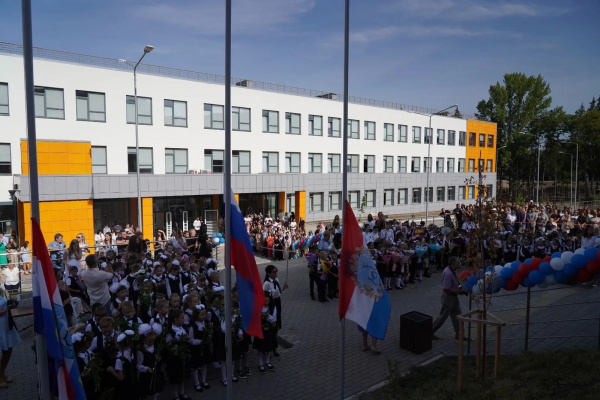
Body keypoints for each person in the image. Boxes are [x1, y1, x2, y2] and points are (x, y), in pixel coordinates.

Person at [431, 256, 466, 340]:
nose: (460, 264)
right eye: (458, 263)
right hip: (448, 297)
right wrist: (458, 291)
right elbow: (446, 288)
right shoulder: (448, 273)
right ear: (453, 264)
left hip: (453, 297)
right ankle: (430, 331)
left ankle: (459, 335)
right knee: (443, 316)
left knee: (458, 316)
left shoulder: (451, 270)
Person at [0, 287, 21, 388]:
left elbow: (5, 304)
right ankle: (0, 377)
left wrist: (11, 304)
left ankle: (2, 373)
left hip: (6, 325)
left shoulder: (1, 291)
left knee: (8, 350)